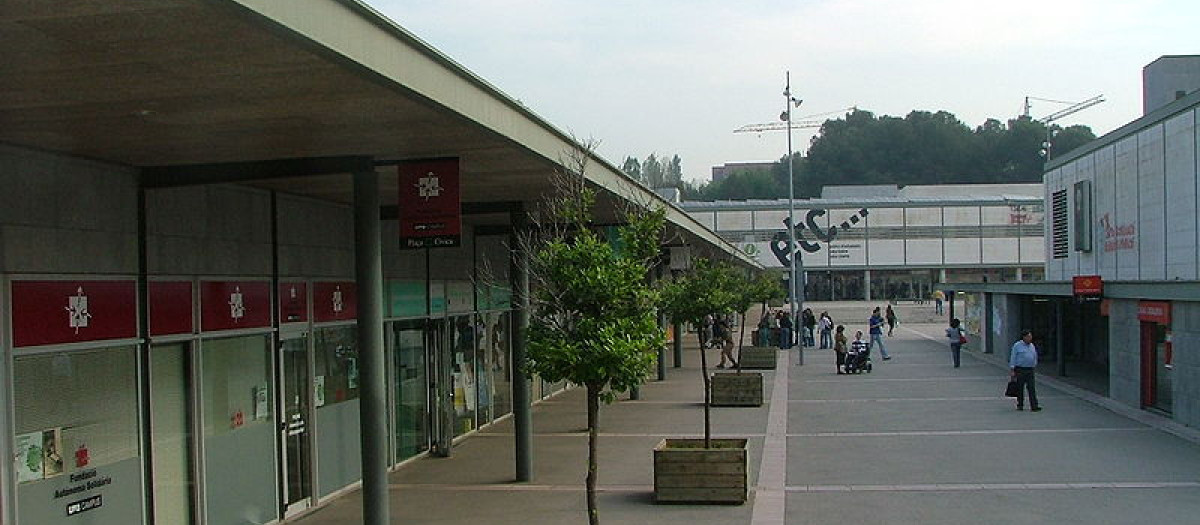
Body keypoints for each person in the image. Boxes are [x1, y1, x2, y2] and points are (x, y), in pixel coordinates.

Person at [1009, 329, 1041, 411]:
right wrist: (1012, 370)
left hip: (1030, 369)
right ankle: (1020, 404)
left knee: (1031, 387)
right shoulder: (1017, 345)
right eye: (1028, 336)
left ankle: (1034, 406)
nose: (1030, 338)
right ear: (1024, 337)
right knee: (1020, 387)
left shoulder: (1032, 345)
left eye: (1031, 336)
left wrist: (1034, 364)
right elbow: (1013, 357)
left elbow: (1034, 355)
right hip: (1020, 369)